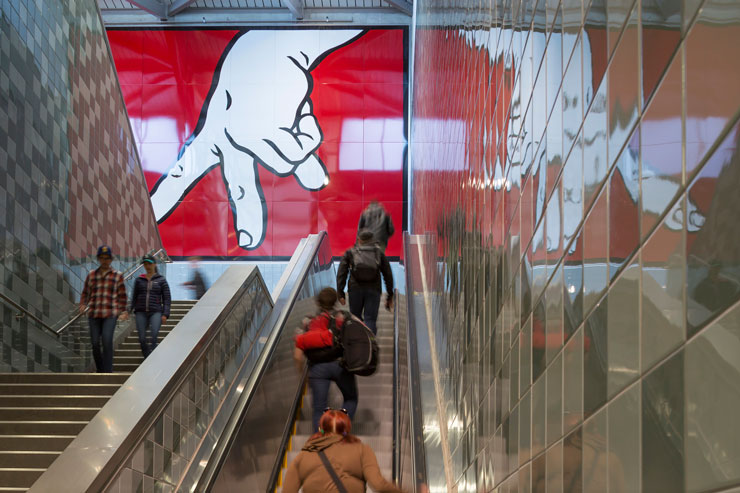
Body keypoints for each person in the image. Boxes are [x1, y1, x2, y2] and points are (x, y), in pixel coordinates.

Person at [283, 409, 405, 493]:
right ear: (347, 428)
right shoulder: (362, 450)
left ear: (321, 428)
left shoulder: (304, 454)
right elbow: (378, 484)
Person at [294, 288, 358, 433]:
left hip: (317, 369)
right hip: (340, 365)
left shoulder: (307, 321)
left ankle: (321, 442)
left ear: (318, 302)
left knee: (318, 409)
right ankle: (340, 431)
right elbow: (358, 336)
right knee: (351, 399)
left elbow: (297, 355)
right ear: (335, 301)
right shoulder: (344, 317)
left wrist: (301, 376)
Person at [79, 245, 129, 373]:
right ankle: (100, 370)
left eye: (107, 258)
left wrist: (123, 310)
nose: (105, 260)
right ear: (99, 259)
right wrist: (83, 304)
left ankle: (107, 371)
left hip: (110, 314)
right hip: (94, 314)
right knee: (95, 343)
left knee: (107, 340)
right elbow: (85, 292)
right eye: (102, 258)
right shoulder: (91, 275)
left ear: (111, 259)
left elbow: (122, 295)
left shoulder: (117, 276)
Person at [336, 230, 394, 334]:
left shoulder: (351, 252)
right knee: (370, 319)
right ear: (372, 240)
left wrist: (340, 292)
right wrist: (390, 294)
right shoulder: (378, 253)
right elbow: (387, 274)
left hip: (355, 289)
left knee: (355, 317)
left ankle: (357, 343)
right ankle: (371, 345)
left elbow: (342, 272)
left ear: (359, 240)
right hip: (373, 289)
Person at [130, 254, 171, 358]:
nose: (147, 266)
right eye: (145, 264)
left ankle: (152, 358)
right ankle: (147, 358)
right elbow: (134, 297)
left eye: (150, 263)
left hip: (156, 311)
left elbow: (166, 298)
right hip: (140, 312)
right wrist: (129, 310)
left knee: (154, 336)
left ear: (154, 264)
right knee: (142, 338)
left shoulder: (161, 280)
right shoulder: (139, 280)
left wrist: (165, 314)